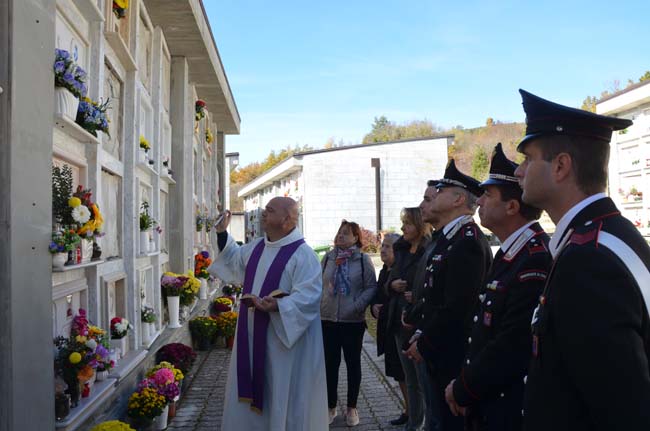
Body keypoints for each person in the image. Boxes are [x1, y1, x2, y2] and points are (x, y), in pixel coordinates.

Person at [514, 89, 650, 430]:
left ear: (560, 166)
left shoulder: (588, 260)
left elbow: (621, 411)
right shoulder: (604, 236)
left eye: (528, 159)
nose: (519, 171)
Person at [444, 143, 552, 430]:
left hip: (508, 408)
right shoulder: (512, 253)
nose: (478, 201)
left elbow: (512, 344)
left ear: (512, 207)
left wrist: (464, 388)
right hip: (489, 401)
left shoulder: (534, 258)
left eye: (488, 195)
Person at [208, 197, 328, 431]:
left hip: (283, 344)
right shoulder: (257, 247)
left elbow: (309, 298)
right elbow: (234, 260)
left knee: (279, 393)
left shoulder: (304, 256)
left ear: (287, 219)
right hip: (251, 335)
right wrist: (223, 234)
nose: (263, 213)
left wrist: (278, 306)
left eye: (270, 210)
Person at [405, 159, 492, 431]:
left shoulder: (466, 242)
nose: (427, 202)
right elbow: (434, 296)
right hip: (438, 351)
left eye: (440, 192)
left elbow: (457, 307)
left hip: (450, 355)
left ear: (457, 199)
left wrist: (425, 342)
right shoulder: (450, 237)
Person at [320, 220, 377, 426]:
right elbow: (319, 284)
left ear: (356, 238)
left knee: (353, 364)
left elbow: (371, 287)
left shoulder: (362, 260)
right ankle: (330, 406)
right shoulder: (328, 258)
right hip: (327, 320)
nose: (341, 236)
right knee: (330, 365)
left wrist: (357, 304)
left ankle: (352, 408)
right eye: (339, 232)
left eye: (346, 233)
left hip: (352, 321)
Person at [387, 208, 433, 431]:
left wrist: (417, 295)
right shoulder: (401, 249)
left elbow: (433, 286)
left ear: (420, 225)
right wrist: (392, 285)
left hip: (419, 323)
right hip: (399, 320)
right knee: (410, 379)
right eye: (402, 222)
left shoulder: (430, 249)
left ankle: (427, 424)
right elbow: (390, 279)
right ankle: (413, 424)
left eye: (407, 223)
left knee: (424, 380)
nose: (403, 227)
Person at [371, 232, 410, 426]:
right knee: (397, 372)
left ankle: (413, 412)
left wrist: (392, 289)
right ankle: (408, 409)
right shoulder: (384, 271)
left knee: (405, 373)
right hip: (388, 328)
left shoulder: (403, 270)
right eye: (383, 246)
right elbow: (378, 297)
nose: (383, 249)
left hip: (400, 328)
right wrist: (374, 307)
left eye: (388, 246)